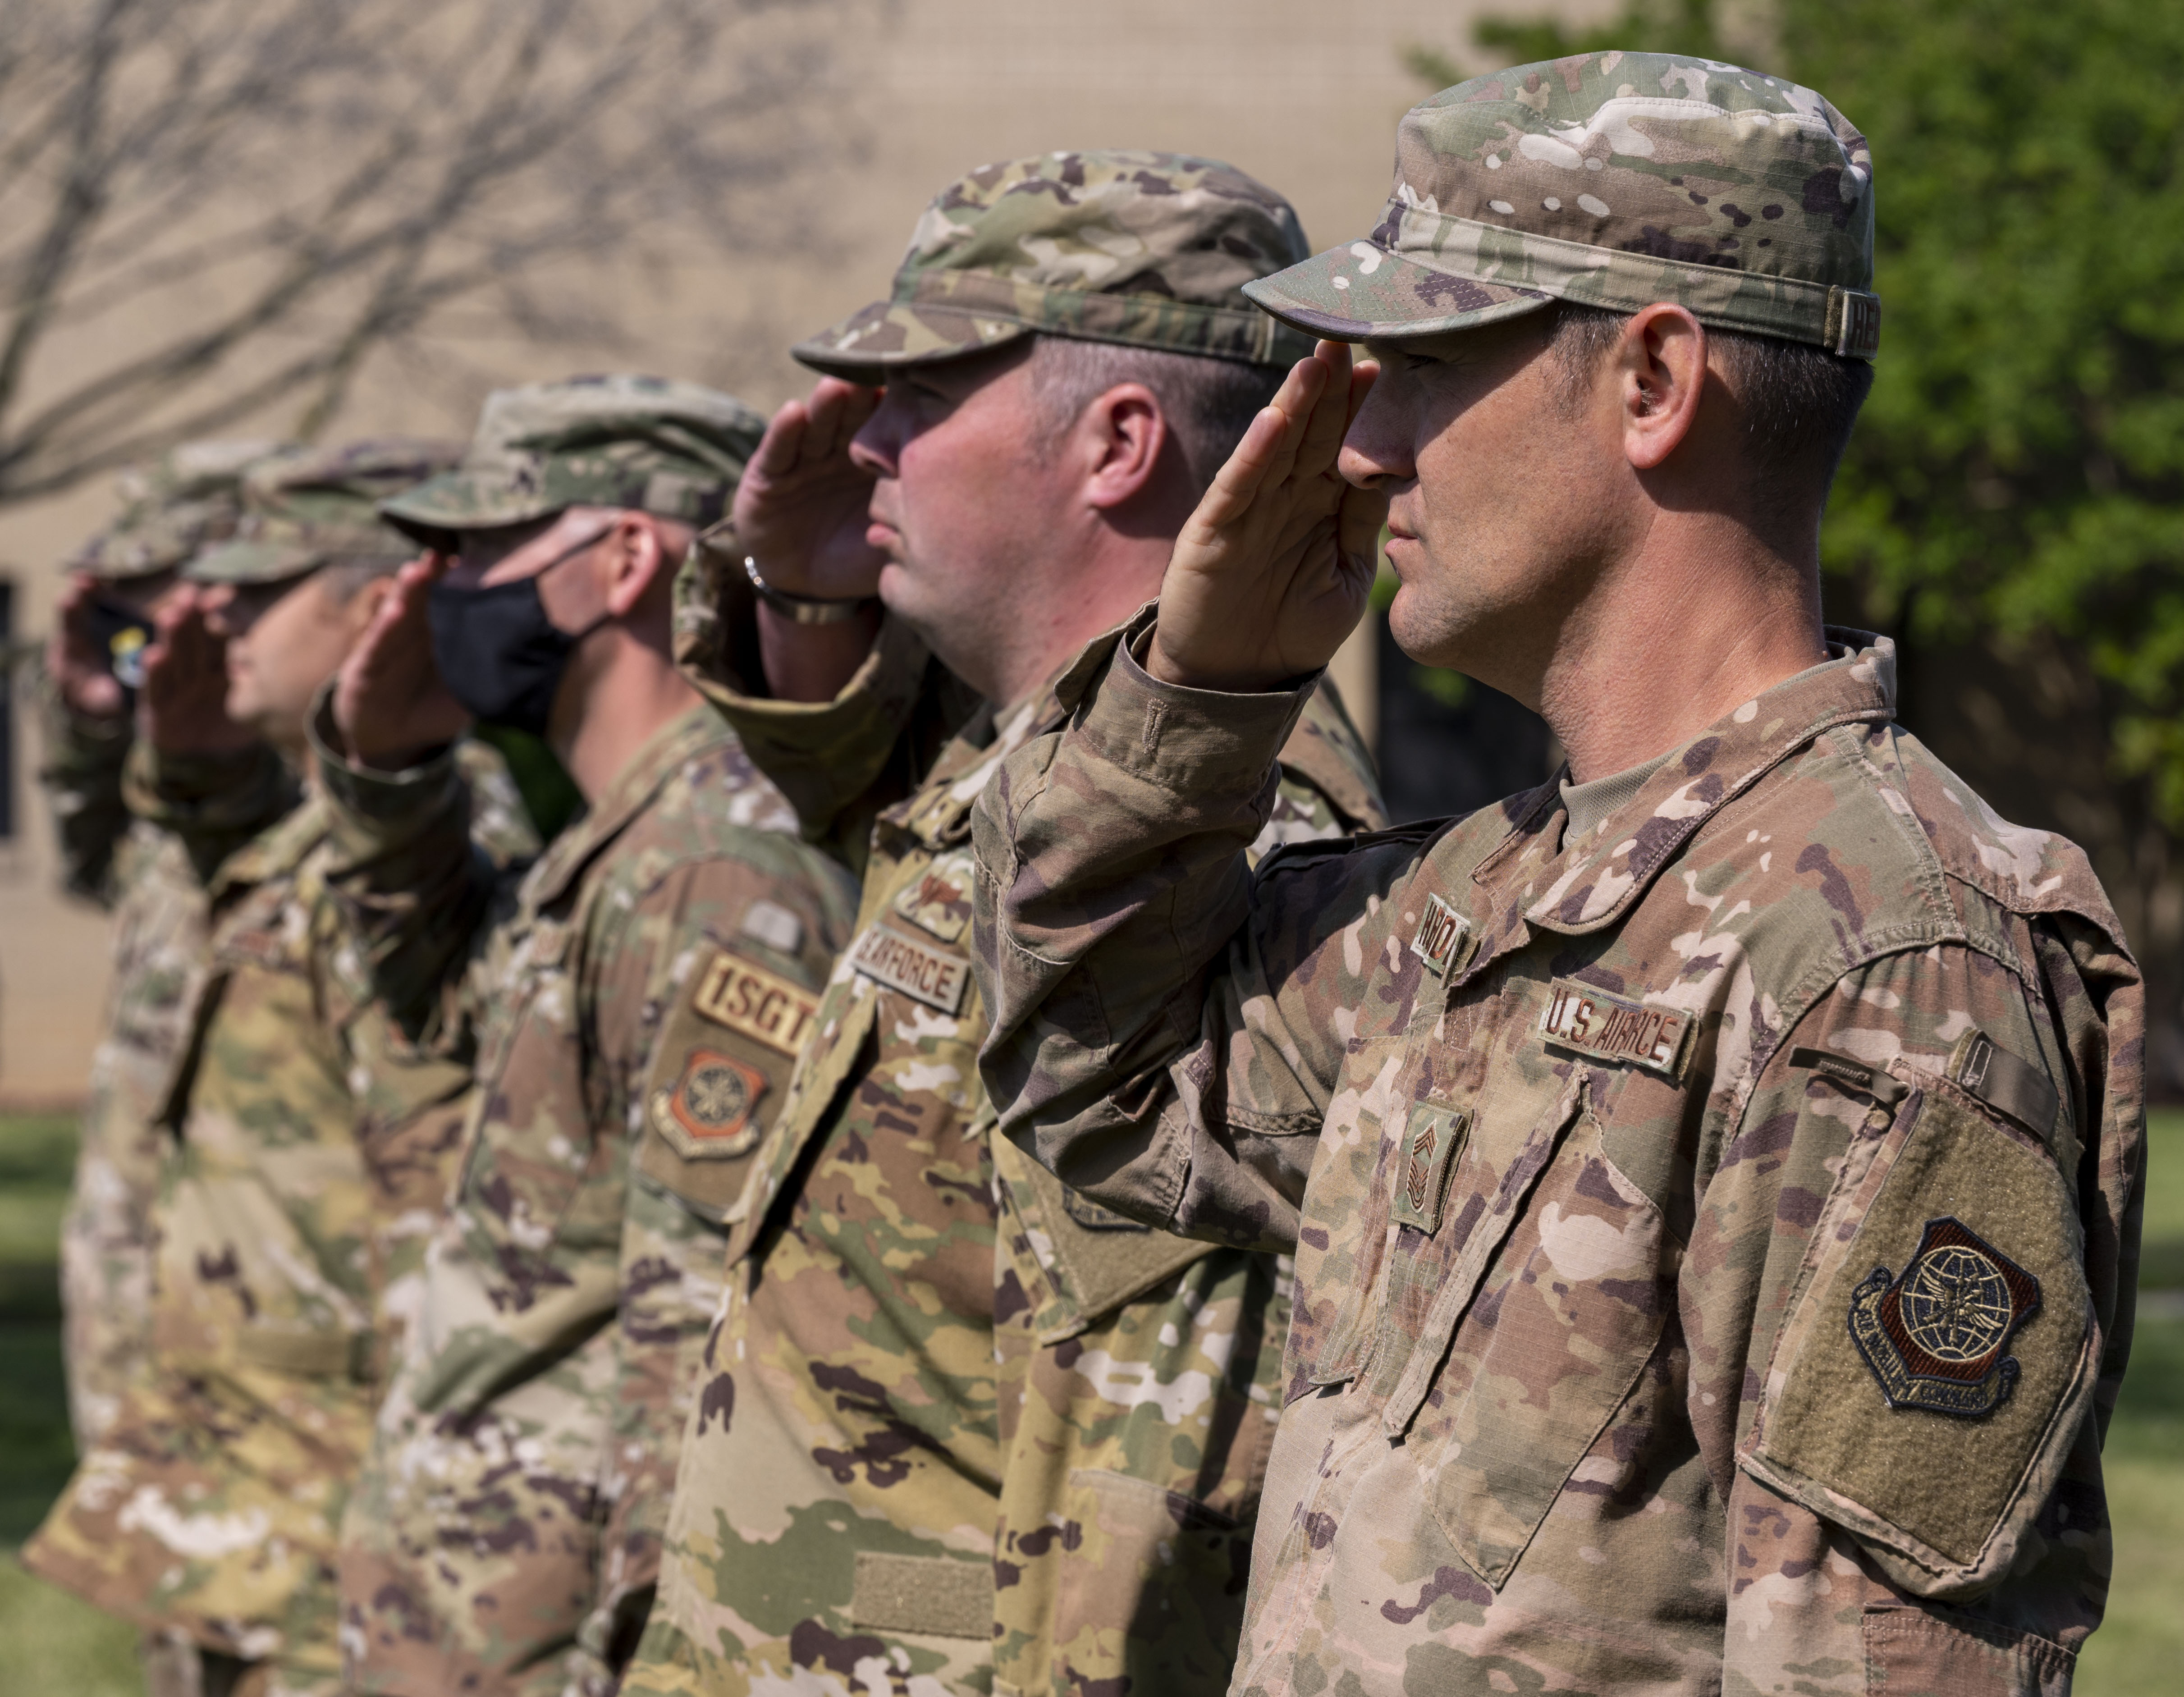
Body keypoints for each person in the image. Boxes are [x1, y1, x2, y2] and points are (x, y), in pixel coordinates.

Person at [972, 58, 2143, 1696]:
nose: (1360, 447)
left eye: (1423, 363)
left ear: (1652, 376)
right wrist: (1190, 696)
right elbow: (1084, 1082)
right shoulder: (1481, 894)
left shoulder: (1881, 955)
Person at [623, 151, 1386, 1697]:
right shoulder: (1027, 766)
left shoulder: (1226, 844)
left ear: (1113, 442)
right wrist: (798, 584)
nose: (865, 444)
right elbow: (849, 784)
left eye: (920, 390)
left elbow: (1146, 1478)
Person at [317, 376, 861, 1697]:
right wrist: (384, 767)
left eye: (482, 549)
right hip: (474, 1605)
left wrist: (631, 1658)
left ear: (624, 557)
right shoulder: (623, 839)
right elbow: (427, 1010)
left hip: (553, 1633)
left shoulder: (717, 866)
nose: (438, 587)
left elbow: (696, 1342)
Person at [24, 439, 540, 1697]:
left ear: (381, 603)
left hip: (340, 1492)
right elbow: (170, 859)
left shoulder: (436, 832)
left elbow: (446, 1158)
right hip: (223, 1456)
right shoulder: (287, 822)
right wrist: (151, 744)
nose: (219, 623)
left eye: (262, 594)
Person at [36, 441, 297, 1450]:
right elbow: (101, 865)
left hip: (247, 1277)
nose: (146, 652)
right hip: (133, 1248)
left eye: (165, 618)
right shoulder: (178, 762)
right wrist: (95, 728)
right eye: (126, 626)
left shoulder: (344, 771)